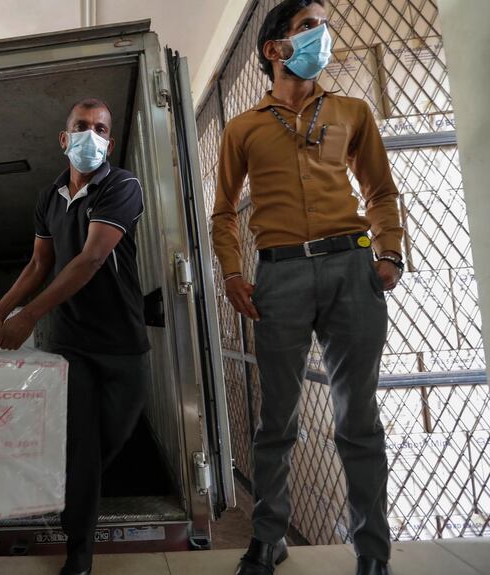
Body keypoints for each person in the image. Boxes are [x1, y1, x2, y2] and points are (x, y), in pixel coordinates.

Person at [211, 1, 403, 574]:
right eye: (309, 26)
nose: (324, 34)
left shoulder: (353, 112)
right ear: (275, 49)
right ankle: (268, 538)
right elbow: (222, 213)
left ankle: (373, 550)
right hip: (280, 276)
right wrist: (230, 273)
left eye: (323, 24)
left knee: (358, 419)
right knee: (278, 419)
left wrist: (388, 252)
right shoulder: (242, 128)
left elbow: (381, 190)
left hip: (352, 268)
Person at [0, 98, 150, 575]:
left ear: (109, 141)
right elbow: (38, 264)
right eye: (81, 126)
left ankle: (73, 490)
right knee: (83, 449)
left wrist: (27, 317)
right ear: (63, 137)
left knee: (114, 439)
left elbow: (91, 259)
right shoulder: (49, 196)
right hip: (71, 345)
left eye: (100, 128)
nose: (90, 135)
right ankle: (79, 555)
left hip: (122, 342)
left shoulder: (123, 186)